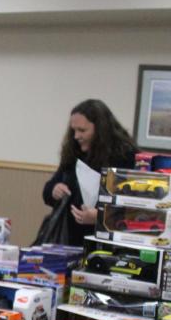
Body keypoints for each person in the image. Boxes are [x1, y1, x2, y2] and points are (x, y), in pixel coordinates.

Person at [42, 98, 138, 245]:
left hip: (108, 242)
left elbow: (134, 207)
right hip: (69, 239)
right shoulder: (73, 153)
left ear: (100, 130)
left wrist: (100, 216)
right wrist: (54, 190)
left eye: (82, 130)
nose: (76, 136)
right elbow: (48, 191)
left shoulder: (125, 156)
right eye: (73, 130)